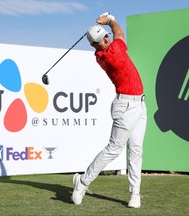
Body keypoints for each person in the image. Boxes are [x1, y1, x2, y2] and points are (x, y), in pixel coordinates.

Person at [72, 13, 147, 208]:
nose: (106, 39)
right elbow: (119, 31)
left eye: (106, 36)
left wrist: (106, 25)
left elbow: (115, 34)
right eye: (101, 39)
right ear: (94, 45)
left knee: (136, 150)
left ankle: (135, 194)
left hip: (139, 104)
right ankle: (83, 182)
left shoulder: (105, 50)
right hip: (125, 106)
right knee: (114, 149)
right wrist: (110, 20)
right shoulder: (112, 53)